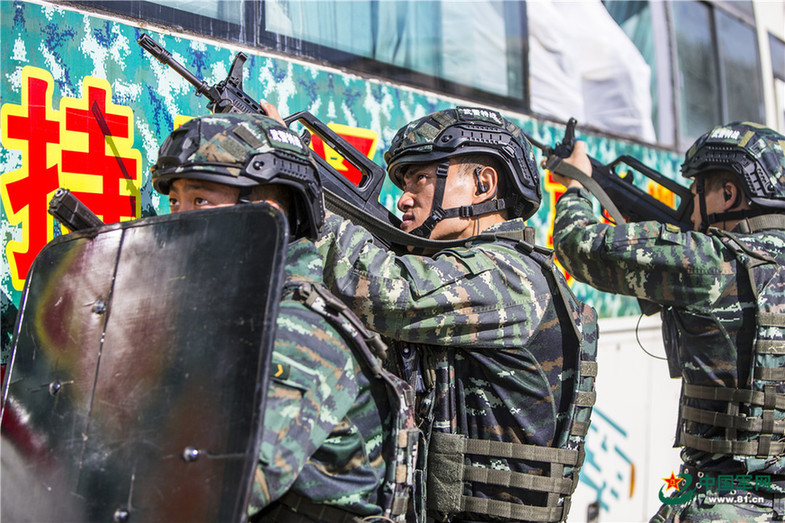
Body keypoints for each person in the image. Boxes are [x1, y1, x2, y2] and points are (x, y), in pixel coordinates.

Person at [286, 105, 598, 523]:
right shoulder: (476, 268)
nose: (404, 198)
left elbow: (382, 288)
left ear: (483, 184)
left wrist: (290, 176)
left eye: (421, 178)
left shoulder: (509, 276)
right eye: (404, 182)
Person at [151, 112, 417, 523]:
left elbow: (214, 490)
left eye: (200, 201)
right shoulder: (230, 310)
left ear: (268, 211)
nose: (177, 221)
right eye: (174, 202)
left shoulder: (298, 330)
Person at [551, 122, 785, 521]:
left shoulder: (712, 261)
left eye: (697, 192)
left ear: (729, 194)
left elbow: (578, 244)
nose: (690, 211)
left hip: (725, 503)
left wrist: (576, 183)